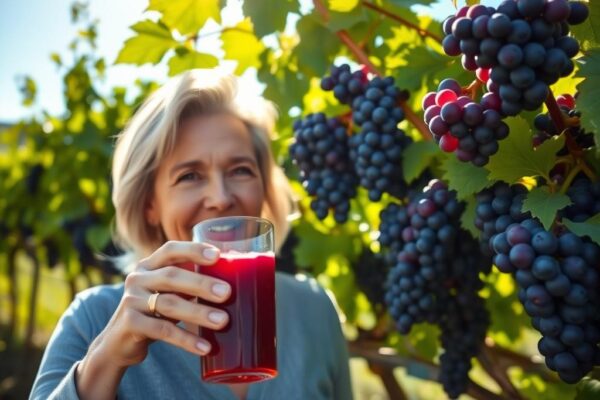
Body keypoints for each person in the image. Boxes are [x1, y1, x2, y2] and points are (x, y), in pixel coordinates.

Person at [30, 69, 353, 400]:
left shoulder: (315, 309)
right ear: (149, 204)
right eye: (189, 176)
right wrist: (105, 362)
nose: (221, 197)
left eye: (241, 170)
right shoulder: (94, 317)